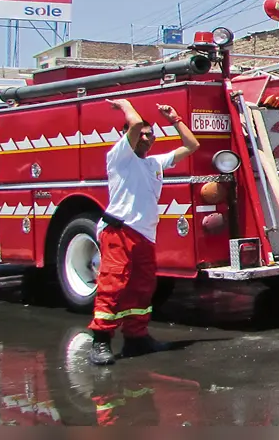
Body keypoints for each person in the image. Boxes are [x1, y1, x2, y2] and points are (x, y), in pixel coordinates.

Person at [89, 99, 200, 366]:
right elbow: (136, 123)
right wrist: (126, 105)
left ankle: (136, 339)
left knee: (142, 288)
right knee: (112, 285)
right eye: (142, 134)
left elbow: (192, 146)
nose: (146, 137)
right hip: (119, 231)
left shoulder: (155, 164)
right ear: (129, 136)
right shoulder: (120, 158)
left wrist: (175, 119)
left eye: (151, 134)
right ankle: (101, 341)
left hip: (144, 236)